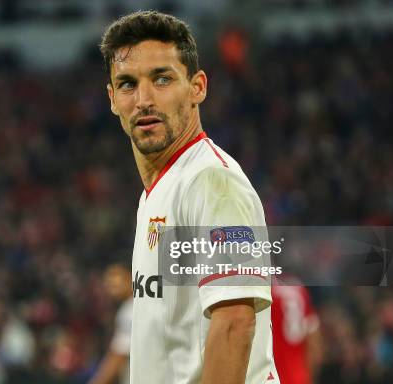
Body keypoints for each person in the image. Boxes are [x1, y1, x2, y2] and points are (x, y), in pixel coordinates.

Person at [99, 11, 278, 383]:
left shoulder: (211, 181)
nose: (144, 99)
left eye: (162, 79)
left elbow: (234, 322)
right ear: (113, 99)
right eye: (128, 84)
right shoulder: (157, 193)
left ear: (197, 87)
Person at [271, 281, 323, 384]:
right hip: (300, 377)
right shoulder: (298, 289)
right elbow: (314, 342)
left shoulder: (263, 292)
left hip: (271, 377)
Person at [88, 263, 133, 384]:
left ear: (131, 276)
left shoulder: (130, 310)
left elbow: (117, 356)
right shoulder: (149, 303)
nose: (111, 286)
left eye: (116, 279)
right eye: (108, 282)